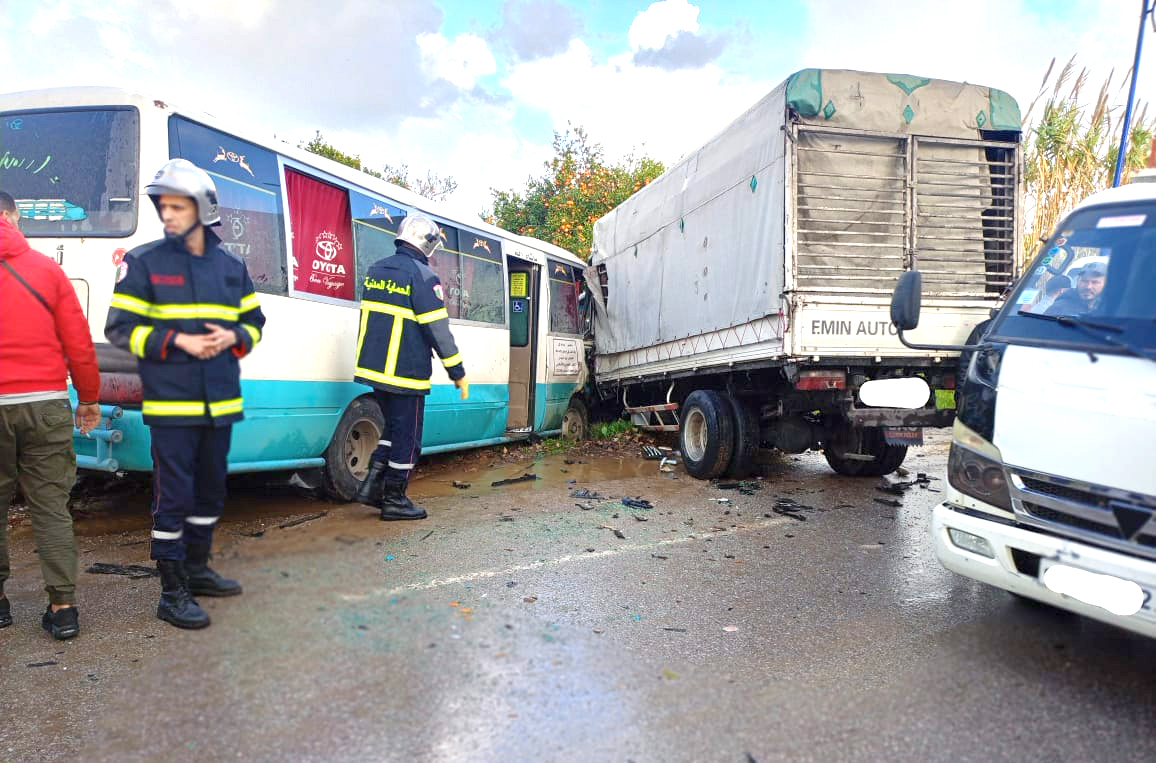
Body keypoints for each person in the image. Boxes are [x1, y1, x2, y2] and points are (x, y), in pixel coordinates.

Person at [105, 160, 265, 630]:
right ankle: (171, 593)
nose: (167, 215)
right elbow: (119, 328)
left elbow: (254, 323)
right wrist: (177, 342)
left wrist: (232, 338)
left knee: (211, 493)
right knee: (173, 499)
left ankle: (196, 570)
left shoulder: (231, 267)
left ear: (204, 208)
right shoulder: (144, 261)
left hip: (221, 405)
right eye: (163, 206)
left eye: (178, 206)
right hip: (172, 407)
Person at [0, 191, 101, 640]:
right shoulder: (47, 270)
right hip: (45, 403)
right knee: (50, 507)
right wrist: (90, 399)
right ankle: (63, 609)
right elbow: (78, 343)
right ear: (13, 217)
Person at [352, 213, 468, 520]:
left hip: (374, 371)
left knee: (392, 430)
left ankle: (371, 489)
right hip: (405, 373)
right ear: (426, 243)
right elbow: (437, 330)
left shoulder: (376, 270)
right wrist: (457, 372)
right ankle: (394, 499)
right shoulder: (424, 276)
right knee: (409, 439)